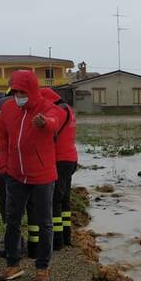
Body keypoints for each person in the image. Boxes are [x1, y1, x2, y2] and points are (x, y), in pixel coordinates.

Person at [0, 70, 62, 281]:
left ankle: (42, 267)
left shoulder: (46, 107)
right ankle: (12, 264)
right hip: (15, 174)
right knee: (12, 219)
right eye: (15, 91)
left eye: (22, 91)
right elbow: (2, 138)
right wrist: (3, 165)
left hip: (42, 175)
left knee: (44, 222)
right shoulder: (7, 108)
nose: (18, 95)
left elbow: (56, 119)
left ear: (32, 90)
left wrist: (45, 123)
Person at [41, 88, 78, 249]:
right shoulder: (68, 109)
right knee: (65, 200)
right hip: (70, 159)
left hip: (59, 160)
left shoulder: (55, 111)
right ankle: (66, 236)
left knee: (56, 200)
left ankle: (57, 241)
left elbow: (49, 128)